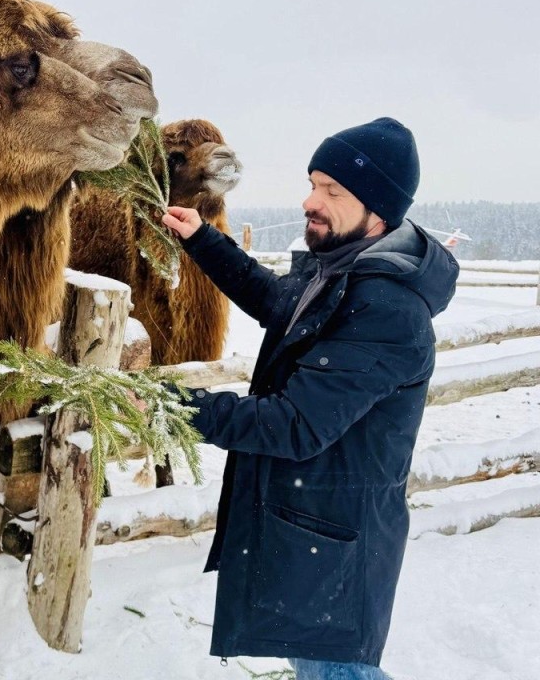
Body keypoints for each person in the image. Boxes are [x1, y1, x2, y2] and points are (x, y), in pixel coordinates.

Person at [161, 117, 459, 680]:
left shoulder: (387, 310)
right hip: (310, 533)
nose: (309, 201)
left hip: (334, 553)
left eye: (332, 191)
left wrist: (173, 406)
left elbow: (293, 424)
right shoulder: (344, 267)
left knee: (335, 671)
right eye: (312, 183)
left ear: (379, 209)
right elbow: (278, 301)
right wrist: (203, 239)